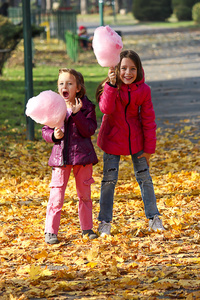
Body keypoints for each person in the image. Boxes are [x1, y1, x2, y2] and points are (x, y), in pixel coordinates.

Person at [96, 50, 165, 237]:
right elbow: (105, 109)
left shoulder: (144, 90)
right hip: (112, 139)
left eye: (132, 69)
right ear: (116, 69)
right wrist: (110, 86)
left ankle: (154, 218)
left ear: (139, 70)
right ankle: (105, 222)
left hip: (136, 141)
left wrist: (149, 150)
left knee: (145, 179)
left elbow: (149, 120)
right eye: (124, 68)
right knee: (109, 181)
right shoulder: (110, 87)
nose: (128, 73)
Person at [42, 68, 98, 244]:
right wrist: (53, 136)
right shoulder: (54, 106)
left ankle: (87, 229)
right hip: (61, 158)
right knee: (56, 196)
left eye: (69, 83)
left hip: (83, 158)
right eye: (61, 83)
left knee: (85, 195)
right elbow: (46, 130)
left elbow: (88, 130)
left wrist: (76, 113)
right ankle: (51, 231)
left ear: (78, 88)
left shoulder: (87, 107)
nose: (64, 86)